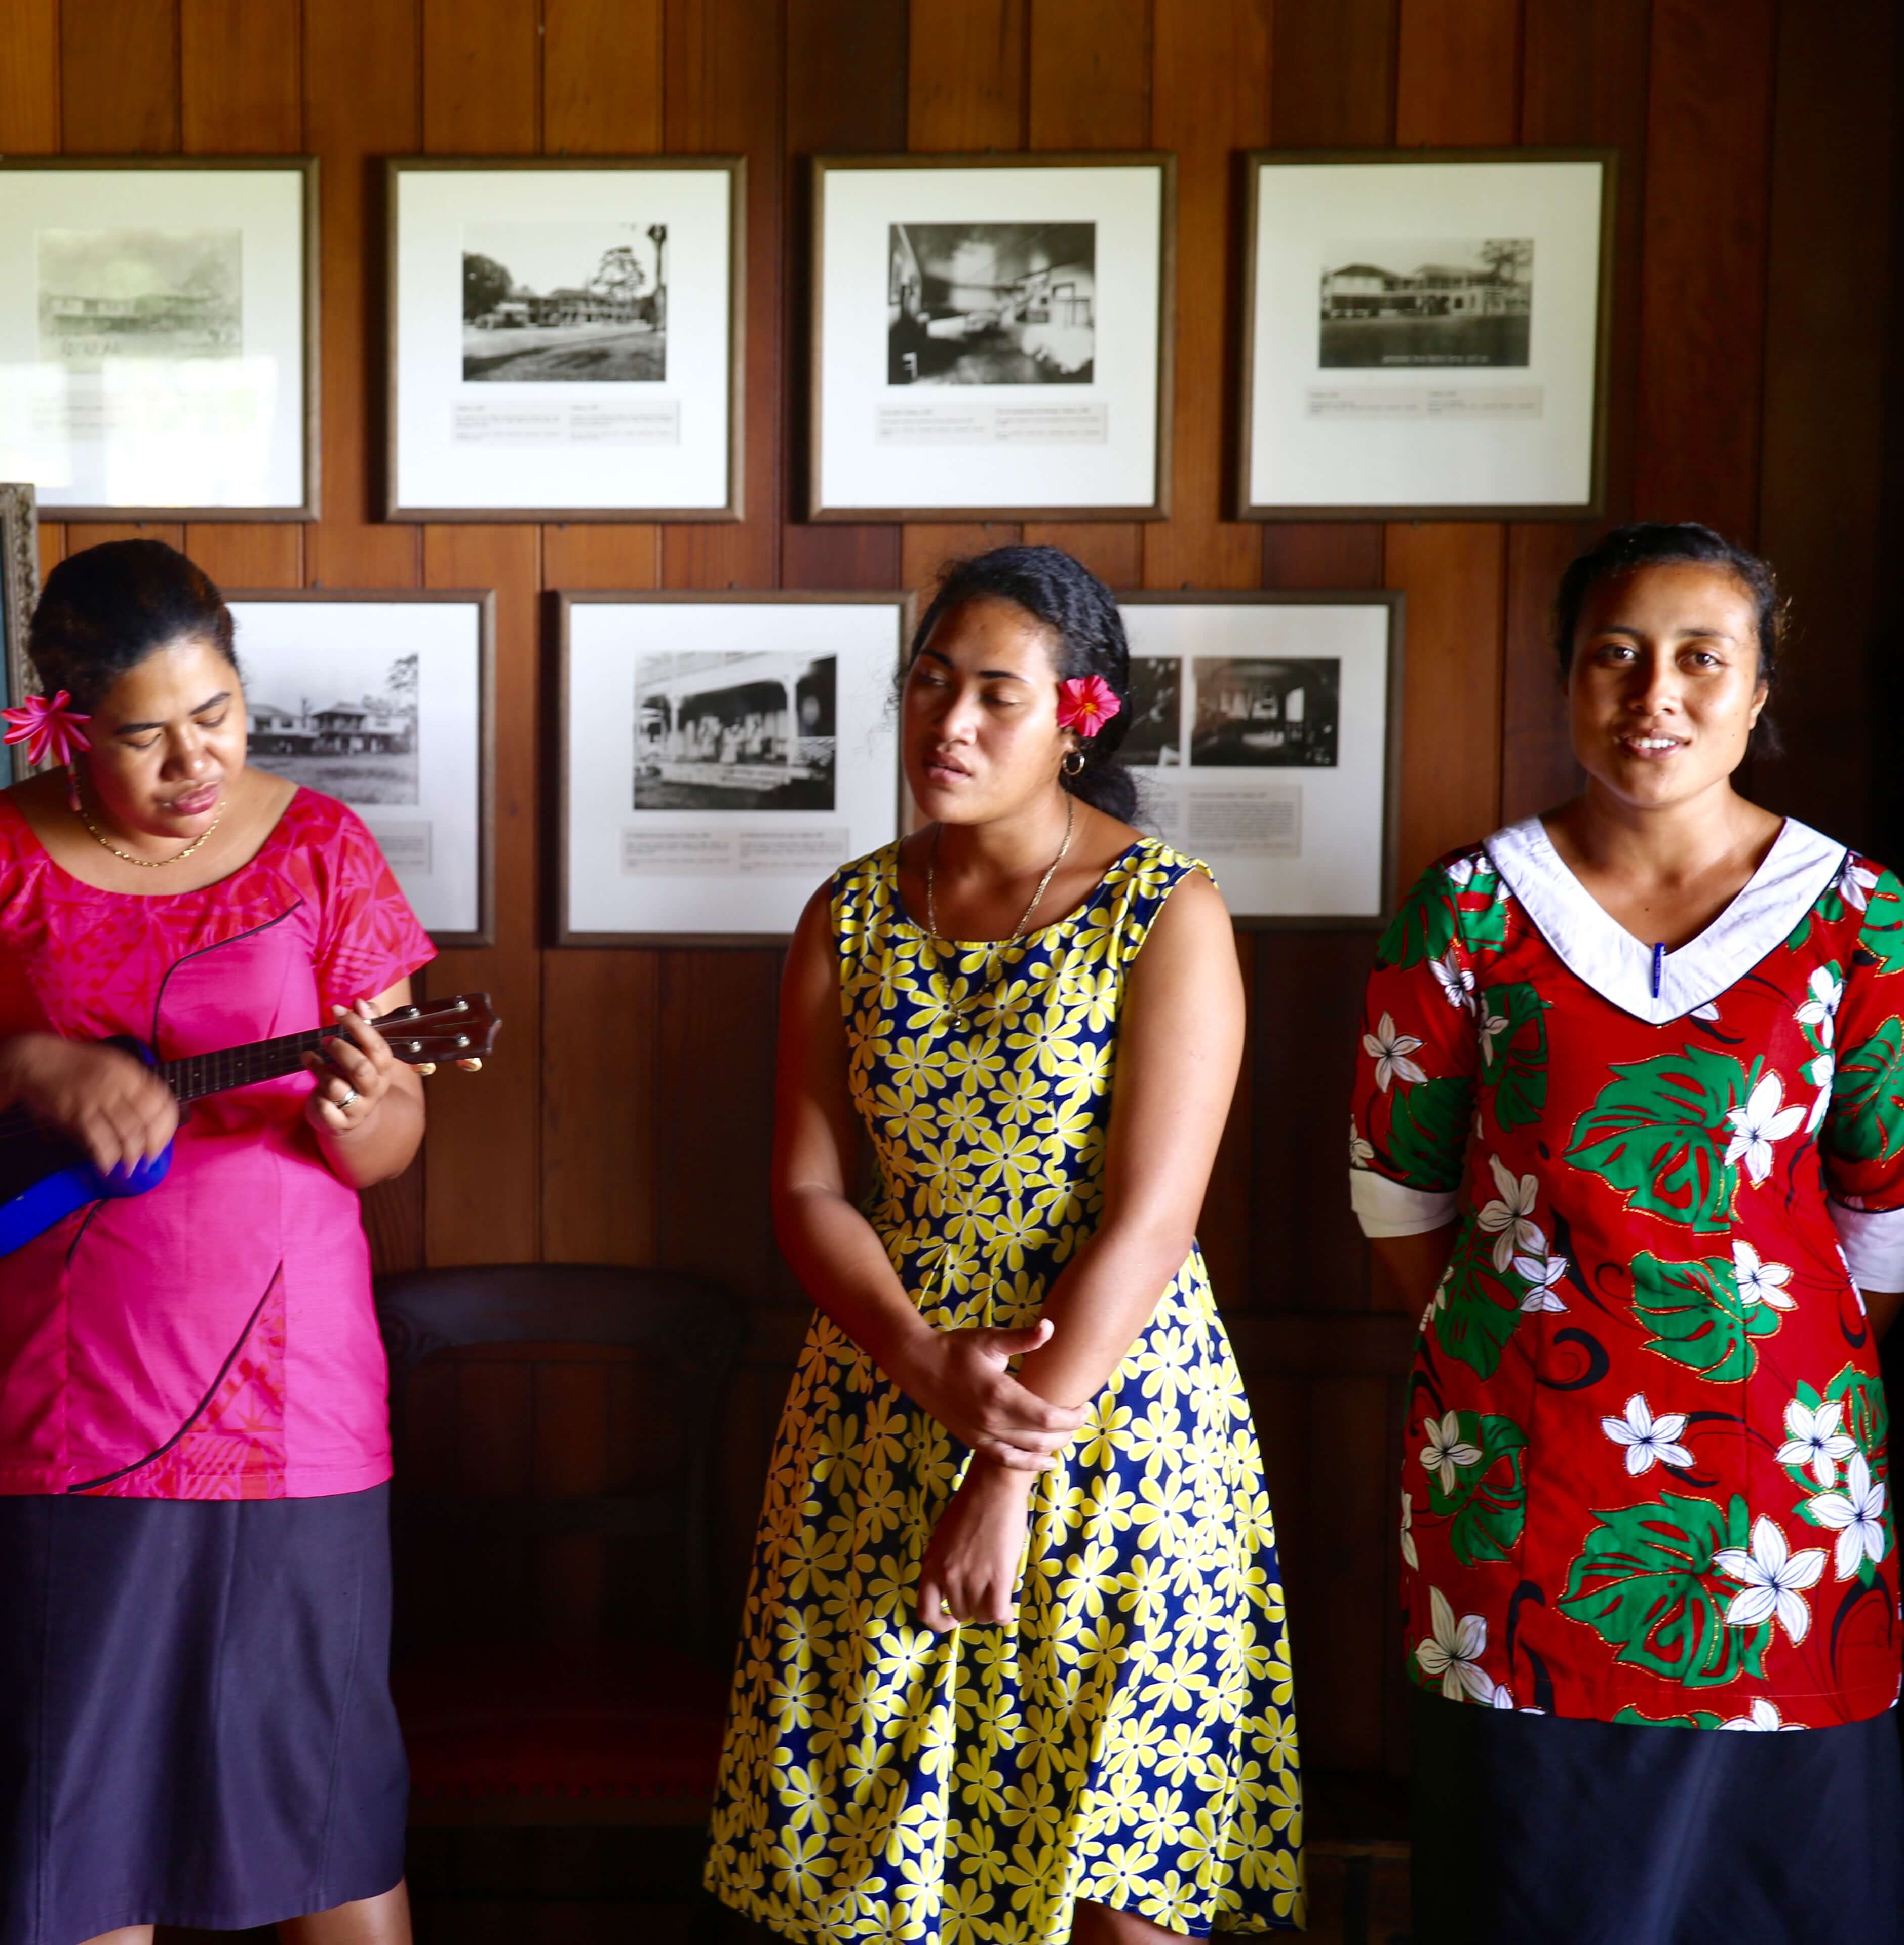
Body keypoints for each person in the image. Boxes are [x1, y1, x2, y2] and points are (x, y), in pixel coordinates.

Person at [0, 538, 433, 1945]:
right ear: (63, 722)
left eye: (219, 716)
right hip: (56, 1432)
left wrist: (374, 1107)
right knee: (70, 1855)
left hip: (292, 1413)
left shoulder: (322, 847)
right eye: (145, 736)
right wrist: (18, 1069)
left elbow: (390, 1146)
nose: (196, 763)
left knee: (331, 1835)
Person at [707, 545, 1304, 1942]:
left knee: (1119, 1873)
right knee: (875, 1879)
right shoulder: (846, 915)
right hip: (876, 1406)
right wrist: (920, 1362)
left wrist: (1001, 1465)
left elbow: (1153, 1220)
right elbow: (807, 1195)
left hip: (1113, 1427)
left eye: (994, 694)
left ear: (1079, 716)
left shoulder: (1167, 912)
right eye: (927, 685)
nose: (948, 724)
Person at [1348, 522, 1904, 1943]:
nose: (1655, 692)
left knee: (1771, 1885)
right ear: (1566, 680)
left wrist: (1751, 1358)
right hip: (1516, 1474)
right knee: (1535, 1871)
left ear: (1760, 694)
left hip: (1781, 1481)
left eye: (1701, 660)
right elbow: (1397, 1196)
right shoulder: (1470, 905)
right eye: (1616, 655)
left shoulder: (1858, 919)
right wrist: (1528, 1325)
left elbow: (1883, 1221)